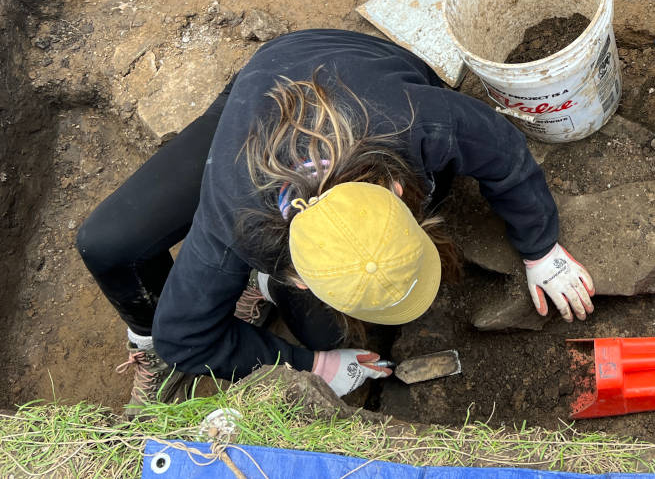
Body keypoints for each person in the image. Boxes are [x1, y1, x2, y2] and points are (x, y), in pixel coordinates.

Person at [76, 28, 595, 414]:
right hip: (253, 108)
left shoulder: (417, 120)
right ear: (294, 273)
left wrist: (541, 249)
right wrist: (312, 366)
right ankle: (154, 326)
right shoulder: (234, 224)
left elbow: (502, 147)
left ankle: (268, 303)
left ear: (394, 190)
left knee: (319, 327)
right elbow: (183, 339)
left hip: (337, 65)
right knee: (104, 244)